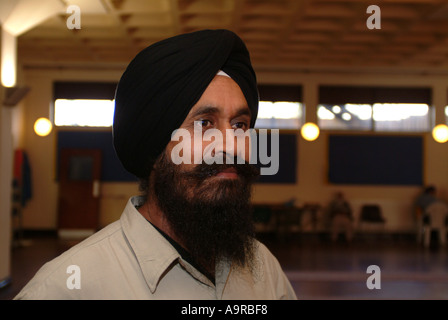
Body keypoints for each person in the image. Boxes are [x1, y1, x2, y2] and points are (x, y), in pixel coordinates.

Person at [15, 29, 297, 300]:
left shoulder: (264, 268)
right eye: (204, 123)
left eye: (239, 125)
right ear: (155, 146)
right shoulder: (68, 287)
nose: (230, 145)